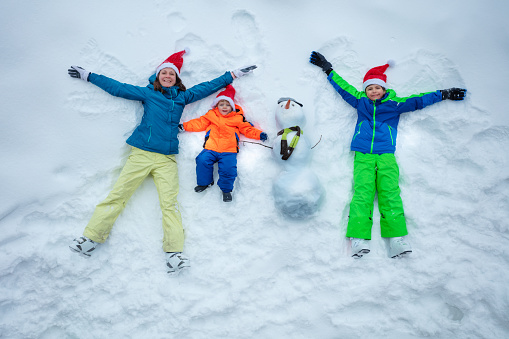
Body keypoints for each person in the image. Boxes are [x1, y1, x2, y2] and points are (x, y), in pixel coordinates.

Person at [67, 49, 256, 274]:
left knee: (170, 205)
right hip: (141, 154)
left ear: (177, 79)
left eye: (172, 74)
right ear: (158, 76)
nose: (168, 76)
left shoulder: (182, 97)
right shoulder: (148, 94)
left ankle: (174, 254)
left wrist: (232, 75)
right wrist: (89, 75)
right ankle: (90, 239)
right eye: (164, 73)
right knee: (118, 195)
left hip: (167, 158)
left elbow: (206, 87)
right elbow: (118, 88)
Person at [309, 51, 466, 258]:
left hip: (386, 156)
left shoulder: (395, 105)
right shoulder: (360, 102)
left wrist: (443, 94)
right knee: (362, 194)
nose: (374, 91)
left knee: (390, 194)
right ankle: (358, 238)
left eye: (377, 87)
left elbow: (419, 100)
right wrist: (328, 69)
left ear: (384, 89)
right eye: (370, 88)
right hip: (363, 156)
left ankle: (396, 239)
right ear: (366, 91)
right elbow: (343, 88)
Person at [180, 84, 267, 202]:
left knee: (228, 168)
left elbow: (247, 129)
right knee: (202, 160)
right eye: (221, 104)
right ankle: (205, 182)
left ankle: (226, 190)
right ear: (217, 106)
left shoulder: (237, 118)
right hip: (211, 148)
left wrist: (259, 134)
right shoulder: (211, 115)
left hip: (228, 150)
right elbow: (198, 123)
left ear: (232, 107)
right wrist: (184, 126)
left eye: (227, 105)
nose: (224, 107)